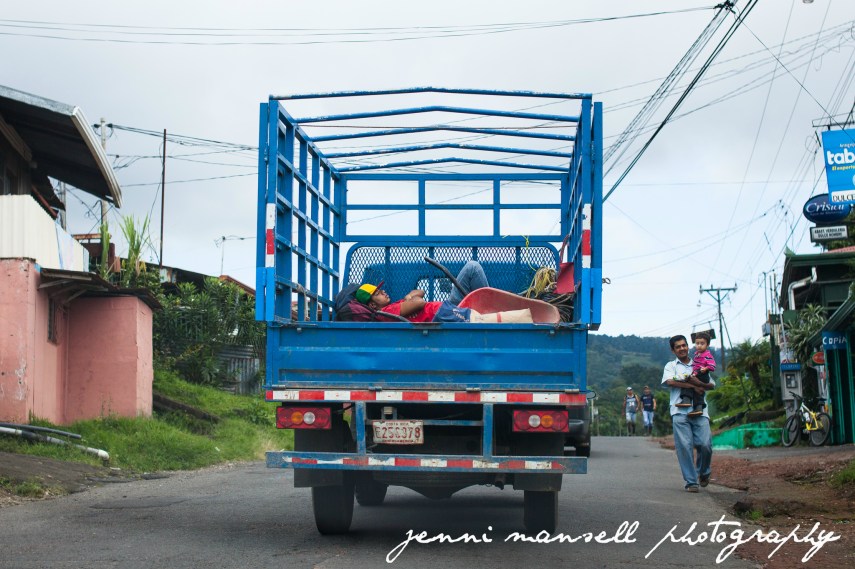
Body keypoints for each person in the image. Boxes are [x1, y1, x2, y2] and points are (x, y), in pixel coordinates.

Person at [355, 261, 531, 323]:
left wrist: (409, 297)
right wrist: (410, 298)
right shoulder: (386, 313)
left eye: (381, 289)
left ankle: (494, 306)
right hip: (445, 313)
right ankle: (494, 310)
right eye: (378, 293)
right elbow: (420, 301)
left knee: (472, 267)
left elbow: (420, 291)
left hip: (446, 308)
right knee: (472, 268)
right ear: (371, 304)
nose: (383, 292)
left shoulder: (393, 306)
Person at [662, 335, 715, 493]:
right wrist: (692, 386)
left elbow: (711, 385)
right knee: (684, 447)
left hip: (700, 411)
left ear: (688, 346)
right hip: (679, 411)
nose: (682, 348)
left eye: (684, 345)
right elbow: (669, 382)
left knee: (705, 444)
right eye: (678, 347)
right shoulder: (670, 366)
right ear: (673, 350)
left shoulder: (699, 363)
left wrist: (699, 383)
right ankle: (691, 482)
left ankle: (704, 472)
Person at [677, 332, 716, 418]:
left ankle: (686, 400)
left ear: (707, 345)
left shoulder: (707, 355)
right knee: (698, 391)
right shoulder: (697, 355)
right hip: (697, 373)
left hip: (703, 374)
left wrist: (706, 368)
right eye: (697, 343)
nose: (699, 346)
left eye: (702, 343)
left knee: (687, 381)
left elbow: (712, 366)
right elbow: (695, 366)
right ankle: (698, 408)